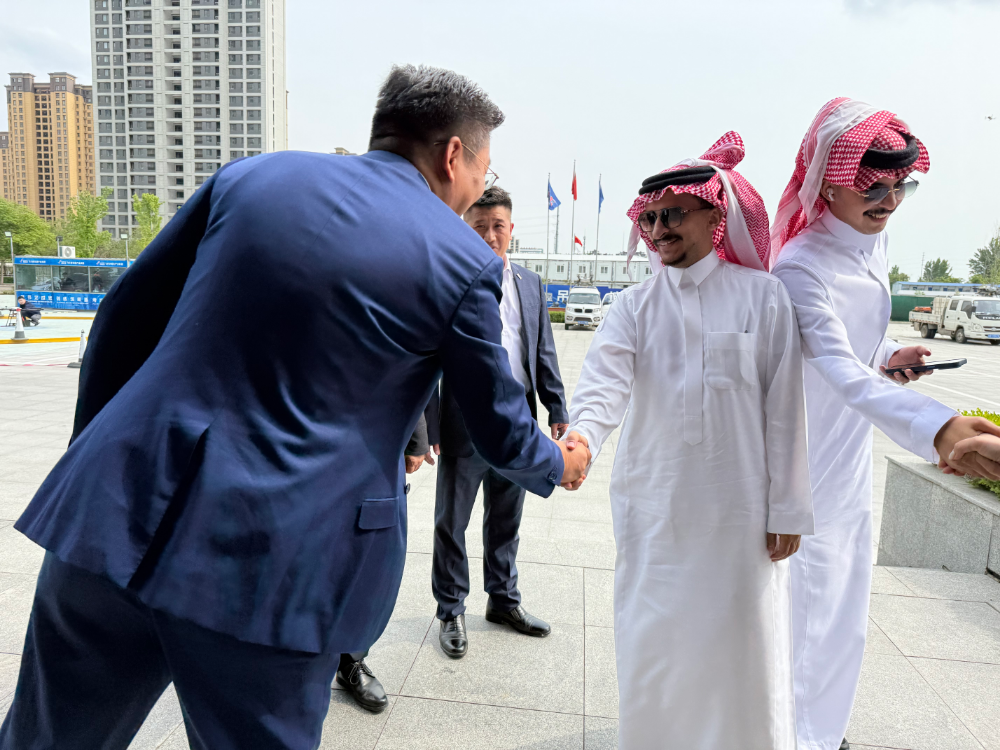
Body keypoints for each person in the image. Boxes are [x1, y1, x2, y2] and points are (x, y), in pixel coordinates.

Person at [0, 64, 590, 750]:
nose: (478, 189)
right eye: (484, 171)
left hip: (113, 516)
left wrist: (100, 462)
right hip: (273, 566)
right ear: (453, 154)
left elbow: (122, 321)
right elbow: (497, 427)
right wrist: (560, 462)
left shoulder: (251, 177)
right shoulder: (464, 260)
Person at [567, 132, 813, 749]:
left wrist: (787, 508)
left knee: (742, 649)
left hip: (739, 516)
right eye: (649, 219)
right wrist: (581, 440)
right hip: (655, 511)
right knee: (655, 647)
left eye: (672, 214)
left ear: (714, 214)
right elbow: (602, 387)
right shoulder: (633, 307)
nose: (658, 229)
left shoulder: (763, 296)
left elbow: (785, 408)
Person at [769, 97, 1000, 750]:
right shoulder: (800, 266)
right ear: (828, 182)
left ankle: (823, 731)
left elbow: (856, 354)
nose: (890, 200)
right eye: (874, 186)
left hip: (848, 462)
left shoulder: (873, 241)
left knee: (846, 613)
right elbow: (837, 366)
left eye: (902, 185)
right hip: (803, 467)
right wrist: (941, 429)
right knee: (802, 612)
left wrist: (888, 357)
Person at [425, 186, 569, 659]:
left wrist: (557, 409)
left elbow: (541, 350)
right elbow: (427, 362)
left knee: (506, 518)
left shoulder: (530, 283)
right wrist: (428, 426)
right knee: (452, 521)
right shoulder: (449, 282)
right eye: (479, 226)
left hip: (518, 421)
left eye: (497, 227)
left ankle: (503, 600)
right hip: (464, 421)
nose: (489, 235)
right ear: (465, 228)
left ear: (511, 230)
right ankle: (451, 609)